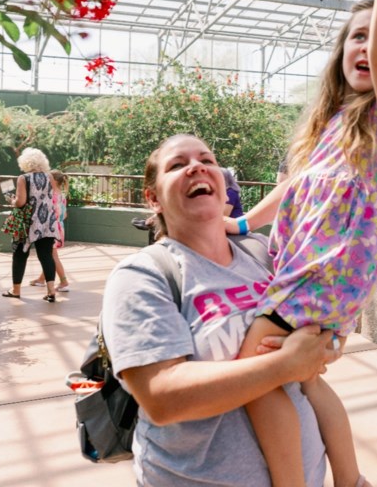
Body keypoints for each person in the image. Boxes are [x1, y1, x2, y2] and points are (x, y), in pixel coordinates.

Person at [225, 0, 377, 487]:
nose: (366, 47)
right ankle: (351, 481)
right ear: (340, 50)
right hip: (305, 266)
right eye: (355, 36)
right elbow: (291, 190)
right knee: (307, 379)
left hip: (329, 271)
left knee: (255, 369)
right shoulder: (332, 122)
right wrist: (240, 226)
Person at [101, 133, 343, 487]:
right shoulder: (144, 275)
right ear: (153, 198)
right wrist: (285, 364)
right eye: (178, 165)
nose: (196, 166)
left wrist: (327, 346)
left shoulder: (262, 254)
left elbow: (318, 345)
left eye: (207, 160)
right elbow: (162, 397)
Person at [2, 147, 60, 302]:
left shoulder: (24, 178)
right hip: (47, 221)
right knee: (46, 255)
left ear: (25, 162)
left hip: (27, 223)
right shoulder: (49, 177)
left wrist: (12, 201)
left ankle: (16, 290)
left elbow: (21, 202)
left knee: (20, 255)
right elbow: (52, 197)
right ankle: (51, 291)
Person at [30, 169, 70, 291]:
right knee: (48, 255)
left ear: (53, 180)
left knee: (52, 256)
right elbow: (65, 215)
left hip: (51, 228)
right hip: (59, 227)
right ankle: (41, 279)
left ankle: (64, 282)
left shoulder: (50, 195)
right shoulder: (61, 195)